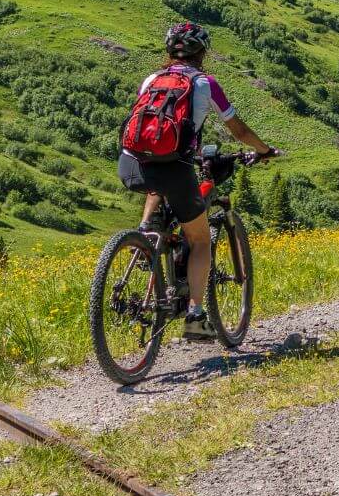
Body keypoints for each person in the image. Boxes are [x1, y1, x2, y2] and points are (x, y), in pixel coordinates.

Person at [118, 22, 276, 339]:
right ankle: (195, 315)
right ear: (201, 52)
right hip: (176, 168)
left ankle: (145, 235)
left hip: (130, 164)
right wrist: (264, 150)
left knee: (155, 184)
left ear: (169, 51)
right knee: (200, 239)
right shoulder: (205, 83)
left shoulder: (151, 80)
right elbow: (239, 131)